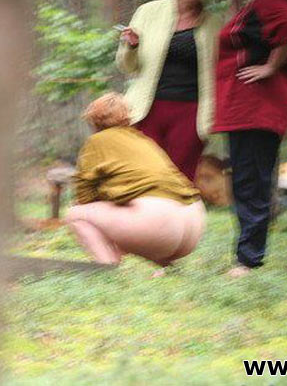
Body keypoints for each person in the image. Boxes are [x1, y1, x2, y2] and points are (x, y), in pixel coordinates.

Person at [213, 0, 287, 277]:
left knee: (252, 183)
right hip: (244, 109)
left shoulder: (270, 0)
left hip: (259, 108)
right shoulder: (257, 4)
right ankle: (245, 256)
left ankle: (248, 260)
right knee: (244, 182)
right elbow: (239, 36)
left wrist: (270, 67)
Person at [65, 93, 206, 273]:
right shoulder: (142, 139)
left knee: (76, 214)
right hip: (193, 223)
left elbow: (84, 195)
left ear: (93, 121)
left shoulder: (97, 141)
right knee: (128, 211)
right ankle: (167, 269)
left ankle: (107, 269)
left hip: (158, 225)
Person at [115, 0, 222, 182]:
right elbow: (127, 67)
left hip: (191, 114)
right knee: (142, 176)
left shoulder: (215, 23)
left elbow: (222, 71)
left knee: (179, 180)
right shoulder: (148, 12)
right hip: (148, 109)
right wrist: (131, 46)